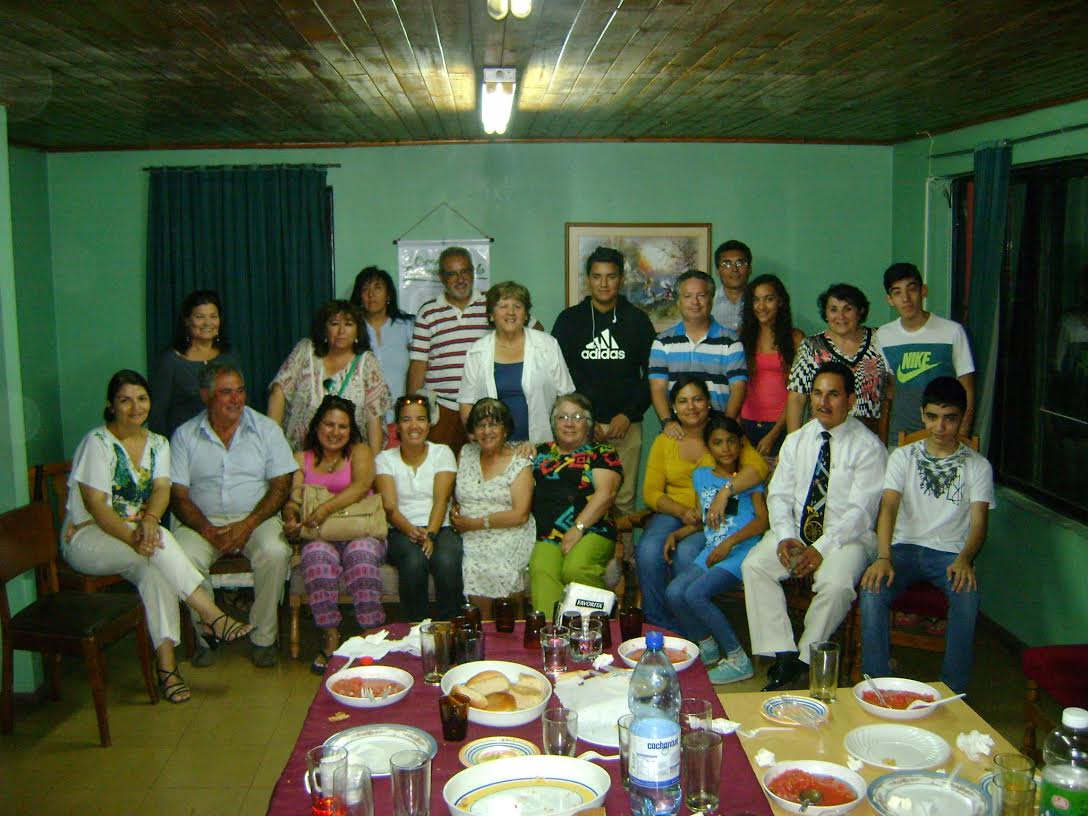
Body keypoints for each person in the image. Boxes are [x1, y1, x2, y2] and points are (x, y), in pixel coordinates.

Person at [64, 370, 252, 703]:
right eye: (125, 400)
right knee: (159, 545)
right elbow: (97, 507)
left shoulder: (157, 443)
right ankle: (211, 614)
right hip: (88, 537)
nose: (135, 407)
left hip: (138, 539)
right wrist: (136, 538)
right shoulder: (97, 443)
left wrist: (149, 520)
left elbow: (163, 489)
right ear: (111, 406)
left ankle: (167, 669)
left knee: (156, 570)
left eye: (142, 399)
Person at [742, 361, 888, 691]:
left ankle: (806, 659)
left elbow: (860, 513)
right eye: (817, 393)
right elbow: (778, 495)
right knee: (755, 565)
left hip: (847, 538)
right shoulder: (797, 440)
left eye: (833, 394)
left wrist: (820, 549)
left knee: (836, 585)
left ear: (851, 400)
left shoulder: (869, 448)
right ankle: (783, 655)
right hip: (796, 531)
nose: (823, 402)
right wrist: (786, 537)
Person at [859, 378, 993, 693]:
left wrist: (965, 559)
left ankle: (952, 690)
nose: (940, 427)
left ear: (962, 417)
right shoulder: (902, 457)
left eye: (949, 418)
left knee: (968, 595)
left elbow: (978, 525)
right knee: (871, 589)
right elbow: (888, 507)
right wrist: (882, 556)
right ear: (922, 414)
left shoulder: (978, 466)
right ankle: (877, 683)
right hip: (902, 550)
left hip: (950, 555)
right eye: (932, 417)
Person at [170, 362, 297, 668]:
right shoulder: (185, 435)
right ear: (205, 395)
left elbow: (281, 487)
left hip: (256, 518)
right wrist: (207, 530)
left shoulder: (266, 429)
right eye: (226, 392)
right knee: (183, 556)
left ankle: (263, 639)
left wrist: (247, 524)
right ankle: (207, 637)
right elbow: (177, 495)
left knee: (275, 552)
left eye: (240, 391)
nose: (236, 399)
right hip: (201, 522)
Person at [638, 375, 769, 631]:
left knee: (686, 552)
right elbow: (651, 493)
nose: (691, 407)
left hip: (715, 518)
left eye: (697, 399)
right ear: (674, 407)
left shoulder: (723, 435)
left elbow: (759, 469)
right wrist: (681, 511)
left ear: (708, 403)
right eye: (683, 401)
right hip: (674, 512)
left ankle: (692, 629)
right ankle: (659, 625)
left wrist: (725, 493)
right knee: (648, 550)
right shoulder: (665, 440)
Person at [281, 396, 384, 675]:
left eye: (343, 426)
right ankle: (330, 638)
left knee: (361, 555)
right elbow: (293, 501)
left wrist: (325, 508)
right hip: (320, 535)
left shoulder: (360, 451)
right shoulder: (301, 459)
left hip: (361, 530)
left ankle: (371, 637)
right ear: (317, 426)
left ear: (351, 431)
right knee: (315, 556)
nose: (335, 432)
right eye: (329, 424)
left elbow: (362, 486)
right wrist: (291, 518)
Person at [552, 246, 656, 517]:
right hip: (579, 426)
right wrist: (586, 418)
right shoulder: (569, 320)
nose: (604, 283)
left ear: (621, 279)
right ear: (588, 279)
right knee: (579, 497)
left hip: (626, 426)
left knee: (623, 500)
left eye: (611, 276)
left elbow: (653, 375)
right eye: (597, 276)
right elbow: (558, 376)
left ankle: (622, 547)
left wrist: (629, 414)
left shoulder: (638, 320)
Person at [664, 414, 768, 684]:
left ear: (740, 443)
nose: (726, 448)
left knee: (695, 593)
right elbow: (704, 519)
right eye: (718, 443)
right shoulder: (701, 476)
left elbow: (762, 521)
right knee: (674, 592)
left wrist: (729, 543)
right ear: (709, 447)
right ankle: (707, 645)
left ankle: (738, 659)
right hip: (712, 550)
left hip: (741, 551)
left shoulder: (747, 478)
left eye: (731, 441)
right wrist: (677, 533)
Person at [527, 393, 623, 615]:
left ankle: (595, 625)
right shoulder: (540, 452)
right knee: (541, 568)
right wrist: (521, 449)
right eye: (562, 417)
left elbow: (606, 493)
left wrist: (578, 528)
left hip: (593, 530)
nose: (569, 423)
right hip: (548, 534)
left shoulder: (602, 453)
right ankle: (552, 632)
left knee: (576, 569)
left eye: (577, 417)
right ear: (553, 423)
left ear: (589, 424)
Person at [374, 394, 463, 622]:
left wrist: (430, 535)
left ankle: (450, 627)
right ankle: (415, 628)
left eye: (421, 419)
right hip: (400, 529)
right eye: (406, 419)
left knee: (447, 561)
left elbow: (441, 500)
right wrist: (412, 532)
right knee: (414, 562)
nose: (414, 426)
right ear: (397, 426)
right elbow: (390, 507)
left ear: (429, 424)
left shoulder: (442, 453)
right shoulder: (384, 459)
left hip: (440, 527)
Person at [458, 281, 575, 444]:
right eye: (503, 306)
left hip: (542, 445)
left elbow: (566, 397)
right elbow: (467, 402)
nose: (511, 312)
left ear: (526, 315)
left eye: (517, 306)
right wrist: (476, 438)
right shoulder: (477, 351)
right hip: (492, 447)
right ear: (491, 315)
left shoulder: (547, 345)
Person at [268, 299, 391, 453]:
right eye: (334, 324)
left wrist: (374, 462)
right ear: (324, 329)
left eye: (348, 324)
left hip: (349, 460)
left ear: (358, 332)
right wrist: (273, 448)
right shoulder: (305, 351)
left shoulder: (367, 362)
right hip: (300, 455)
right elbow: (279, 391)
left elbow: (374, 417)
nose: (341, 331)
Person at [451, 398, 535, 620]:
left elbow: (520, 515)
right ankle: (483, 629)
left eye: (494, 424)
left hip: (509, 531)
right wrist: (454, 511)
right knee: (472, 565)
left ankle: (514, 629)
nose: (487, 431)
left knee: (501, 567)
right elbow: (456, 494)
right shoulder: (465, 453)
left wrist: (476, 523)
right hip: (470, 534)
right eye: (480, 425)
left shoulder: (520, 461)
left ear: (505, 429)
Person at [877, 263, 976, 442]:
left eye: (911, 289)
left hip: (944, 436)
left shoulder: (952, 331)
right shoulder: (883, 335)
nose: (906, 298)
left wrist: (961, 437)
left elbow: (967, 388)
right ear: (889, 299)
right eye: (897, 292)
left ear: (923, 291)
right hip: (900, 437)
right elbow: (890, 388)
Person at [407, 247, 490, 453]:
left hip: (484, 408)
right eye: (452, 274)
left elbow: (534, 327)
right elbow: (418, 364)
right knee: (440, 468)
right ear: (442, 278)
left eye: (465, 271)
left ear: (473, 273)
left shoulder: (492, 305)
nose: (460, 279)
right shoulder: (428, 312)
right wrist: (411, 409)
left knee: (483, 467)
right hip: (443, 410)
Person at [649, 270, 747, 441]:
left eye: (701, 295)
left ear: (711, 300)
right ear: (678, 301)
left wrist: (725, 427)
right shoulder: (663, 342)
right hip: (677, 432)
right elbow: (658, 388)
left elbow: (738, 388)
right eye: (688, 296)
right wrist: (667, 422)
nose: (695, 302)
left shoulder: (730, 341)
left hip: (718, 435)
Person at [786, 283, 889, 440]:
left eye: (848, 309)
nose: (841, 316)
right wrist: (793, 442)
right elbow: (797, 399)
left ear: (860, 311)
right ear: (826, 313)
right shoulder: (811, 346)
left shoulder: (881, 340)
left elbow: (892, 389)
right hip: (823, 437)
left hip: (870, 438)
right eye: (833, 309)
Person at [149, 290, 242, 437]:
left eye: (213, 316)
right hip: (184, 443)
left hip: (228, 441)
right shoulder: (170, 361)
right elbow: (157, 415)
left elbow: (240, 402)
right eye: (199, 317)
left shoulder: (230, 356)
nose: (207, 323)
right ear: (187, 321)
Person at [738, 274, 805, 457]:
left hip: (782, 426)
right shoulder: (742, 338)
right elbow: (736, 385)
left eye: (769, 299)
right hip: (746, 424)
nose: (761, 306)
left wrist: (773, 434)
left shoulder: (796, 339)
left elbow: (796, 391)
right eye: (756, 300)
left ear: (780, 302)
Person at [351, 265, 415, 435]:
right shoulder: (351, 329)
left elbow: (419, 367)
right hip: (360, 420)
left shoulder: (407, 326)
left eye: (377, 288)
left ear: (388, 295)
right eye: (365, 289)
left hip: (400, 419)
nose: (371, 294)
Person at [711, 240, 753, 334]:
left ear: (750, 269)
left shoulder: (761, 303)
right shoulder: (708, 303)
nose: (734, 269)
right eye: (727, 264)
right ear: (717, 271)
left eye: (740, 263)